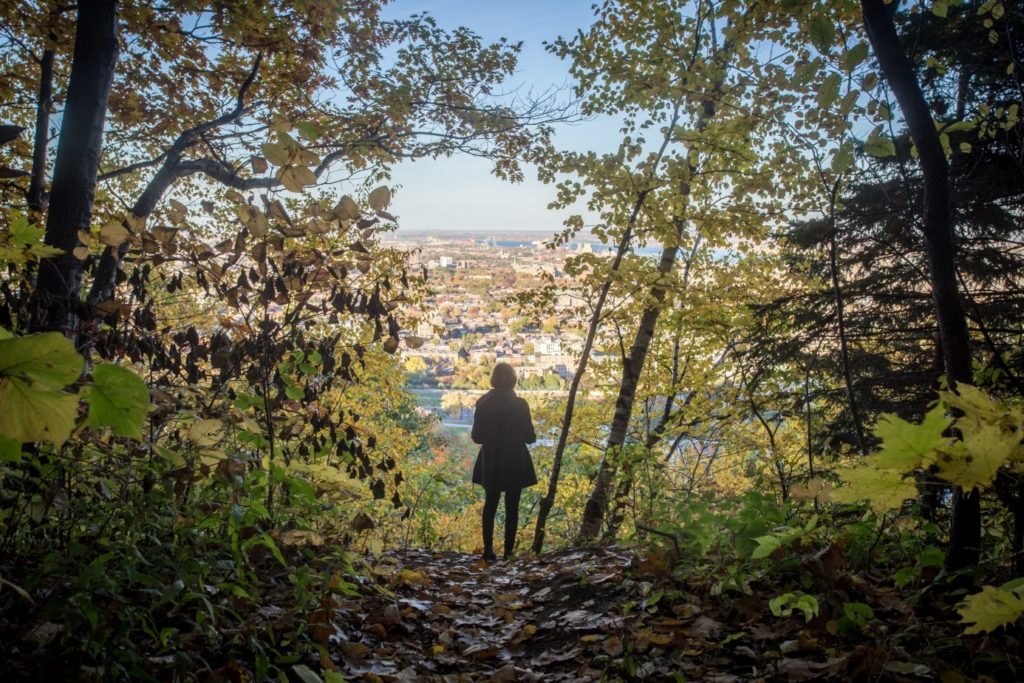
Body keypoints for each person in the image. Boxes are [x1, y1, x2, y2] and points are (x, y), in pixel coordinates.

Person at [471, 362, 537, 562]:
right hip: (515, 459)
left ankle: (488, 551)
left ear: (493, 380)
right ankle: (508, 554)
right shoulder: (520, 404)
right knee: (512, 508)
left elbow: (477, 437)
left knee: (490, 504)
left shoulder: (483, 403)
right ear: (513, 380)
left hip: (491, 459)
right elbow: (530, 438)